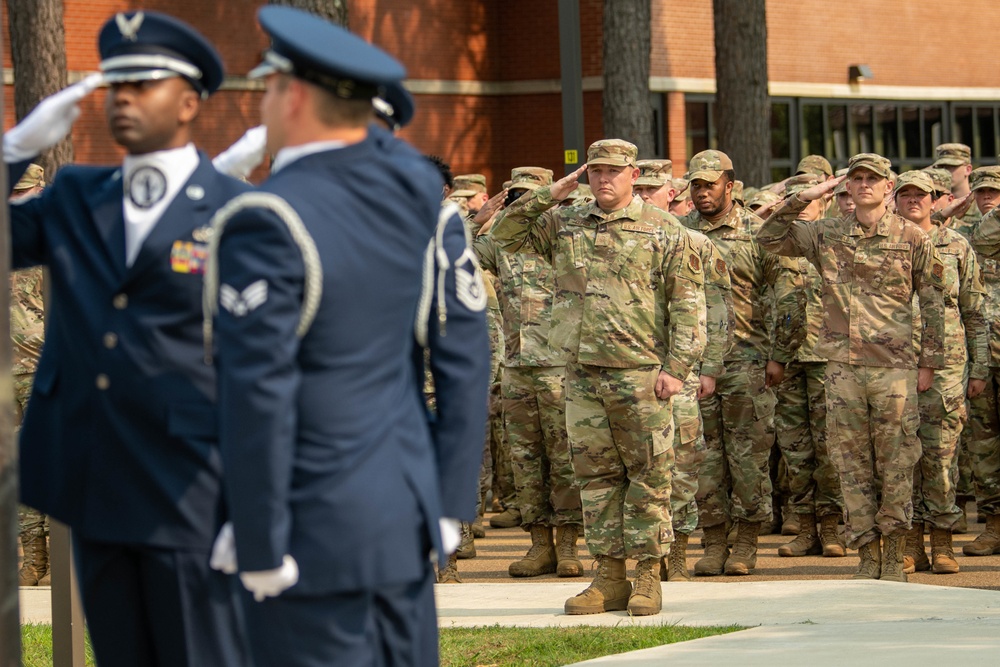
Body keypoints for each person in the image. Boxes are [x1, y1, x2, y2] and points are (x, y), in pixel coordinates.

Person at [206, 7, 490, 664]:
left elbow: (259, 389)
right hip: (401, 509)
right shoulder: (421, 196)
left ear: (295, 97)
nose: (264, 101)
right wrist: (448, 500)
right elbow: (465, 350)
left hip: (309, 526)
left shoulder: (268, 216)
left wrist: (256, 533)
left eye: (270, 86)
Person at [3, 11, 251, 666]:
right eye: (116, 85)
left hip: (191, 486)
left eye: (144, 83)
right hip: (91, 477)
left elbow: (264, 364)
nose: (125, 98)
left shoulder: (231, 208)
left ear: (191, 101)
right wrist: (12, 154)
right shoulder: (77, 196)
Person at [491, 138, 706, 617]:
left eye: (613, 171)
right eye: (594, 171)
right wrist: (556, 189)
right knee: (596, 479)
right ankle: (609, 576)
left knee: (649, 477)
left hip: (641, 374)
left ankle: (648, 575)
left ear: (633, 174)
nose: (603, 179)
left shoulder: (664, 228)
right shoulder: (565, 222)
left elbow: (688, 305)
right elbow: (503, 234)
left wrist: (677, 369)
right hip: (582, 375)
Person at [758, 153, 947, 582]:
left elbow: (934, 301)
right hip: (841, 367)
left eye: (872, 179)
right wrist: (808, 194)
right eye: (856, 178)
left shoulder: (912, 237)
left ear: (888, 187)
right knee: (851, 463)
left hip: (894, 367)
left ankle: (895, 549)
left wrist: (929, 363)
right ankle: (866, 551)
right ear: (845, 187)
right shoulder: (825, 234)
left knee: (897, 461)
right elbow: (767, 238)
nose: (864, 185)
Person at [676, 150, 805, 577]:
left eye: (709, 184)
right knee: (703, 458)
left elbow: (788, 294)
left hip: (747, 362)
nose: (701, 191)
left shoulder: (758, 231)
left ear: (730, 186)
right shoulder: (680, 232)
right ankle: (714, 541)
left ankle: (746, 541)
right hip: (693, 364)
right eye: (695, 184)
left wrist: (779, 355)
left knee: (748, 458)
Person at [475, 166, 585, 579]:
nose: (523, 202)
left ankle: (570, 545)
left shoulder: (565, 233)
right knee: (525, 461)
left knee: (564, 459)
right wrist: (478, 217)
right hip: (517, 365)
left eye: (531, 195)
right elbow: (457, 250)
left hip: (559, 364)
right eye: (516, 196)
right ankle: (540, 544)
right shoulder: (500, 241)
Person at [633, 158, 735, 580]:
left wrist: (708, 365)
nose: (643, 198)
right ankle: (648, 555)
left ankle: (677, 553)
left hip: (683, 371)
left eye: (651, 191)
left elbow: (716, 306)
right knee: (642, 464)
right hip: (635, 369)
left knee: (683, 464)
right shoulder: (623, 239)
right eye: (639, 190)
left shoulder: (692, 240)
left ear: (669, 193)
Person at [893, 170, 987, 574]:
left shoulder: (957, 245)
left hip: (947, 368)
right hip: (893, 365)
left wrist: (980, 365)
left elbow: (974, 310)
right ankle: (912, 544)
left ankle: (944, 542)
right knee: (902, 457)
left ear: (936, 200)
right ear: (893, 200)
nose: (913, 200)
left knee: (941, 457)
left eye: (921, 194)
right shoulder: (885, 242)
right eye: (905, 194)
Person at [770, 174, 845, 559]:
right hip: (787, 359)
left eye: (807, 202)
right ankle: (805, 527)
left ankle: (831, 527)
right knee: (795, 449)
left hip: (826, 359)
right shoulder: (778, 247)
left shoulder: (832, 240)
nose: (799, 209)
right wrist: (776, 355)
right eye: (793, 203)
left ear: (825, 203)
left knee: (828, 448)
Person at [9, 165, 49, 587]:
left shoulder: (50, 241)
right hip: (8, 374)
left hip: (43, 371)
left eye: (22, 191)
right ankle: (33, 562)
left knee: (43, 461)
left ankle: (54, 557)